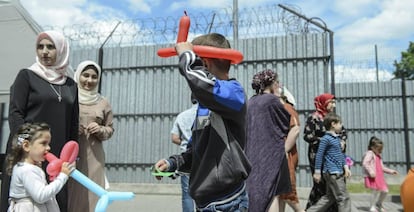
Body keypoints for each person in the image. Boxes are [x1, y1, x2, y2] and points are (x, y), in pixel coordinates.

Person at [153, 33, 251, 211]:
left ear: (204, 63)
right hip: (206, 202)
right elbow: (196, 152)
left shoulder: (234, 93)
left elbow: (205, 86)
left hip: (227, 202)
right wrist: (173, 163)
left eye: (197, 63)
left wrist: (187, 57)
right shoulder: (204, 107)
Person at [1, 30, 79, 212]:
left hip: (57, 153)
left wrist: (73, 155)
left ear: (61, 50)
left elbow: (73, 123)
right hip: (29, 151)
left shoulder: (71, 85)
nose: (44, 52)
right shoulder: (27, 76)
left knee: (55, 200)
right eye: (40, 47)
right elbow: (15, 114)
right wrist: (26, 146)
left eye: (50, 47)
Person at [68, 60, 114, 212]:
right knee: (71, 192)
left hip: (95, 157)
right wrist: (73, 129)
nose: (89, 80)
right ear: (78, 75)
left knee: (93, 192)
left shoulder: (103, 102)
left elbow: (110, 129)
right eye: (85, 75)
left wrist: (100, 129)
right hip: (71, 156)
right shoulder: (70, 99)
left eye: (94, 77)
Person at [246, 69, 291, 212]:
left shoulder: (251, 101)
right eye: (277, 83)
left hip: (253, 153)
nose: (279, 86)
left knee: (258, 192)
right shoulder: (271, 100)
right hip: (272, 154)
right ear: (271, 84)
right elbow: (285, 124)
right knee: (272, 195)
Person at [6, 122, 75, 211]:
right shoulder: (27, 170)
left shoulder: (28, 167)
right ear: (26, 146)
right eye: (43, 143)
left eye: (48, 144)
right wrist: (62, 176)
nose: (48, 148)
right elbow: (41, 196)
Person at [303, 93, 347, 211]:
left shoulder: (334, 118)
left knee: (335, 188)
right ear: (324, 103)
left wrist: (342, 142)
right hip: (318, 156)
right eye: (331, 102)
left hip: (334, 157)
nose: (333, 105)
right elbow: (307, 136)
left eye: (333, 102)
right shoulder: (314, 118)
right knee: (321, 185)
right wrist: (325, 141)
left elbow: (343, 133)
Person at [277, 87, 304, 212]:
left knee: (288, 194)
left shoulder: (287, 108)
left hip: (285, 157)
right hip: (280, 156)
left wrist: (284, 150)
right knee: (279, 195)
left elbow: (295, 129)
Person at [170, 96, 197, 212]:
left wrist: (185, 142)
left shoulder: (182, 116)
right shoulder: (208, 114)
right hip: (205, 157)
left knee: (187, 194)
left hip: (185, 158)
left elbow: (174, 138)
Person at [362, 136, 398, 212]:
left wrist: (391, 171)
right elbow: (365, 163)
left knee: (385, 191)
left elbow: (382, 167)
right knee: (374, 192)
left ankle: (379, 203)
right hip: (373, 176)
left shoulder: (378, 156)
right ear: (372, 147)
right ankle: (372, 206)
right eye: (379, 149)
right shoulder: (370, 153)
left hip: (379, 177)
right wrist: (371, 171)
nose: (380, 151)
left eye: (381, 149)